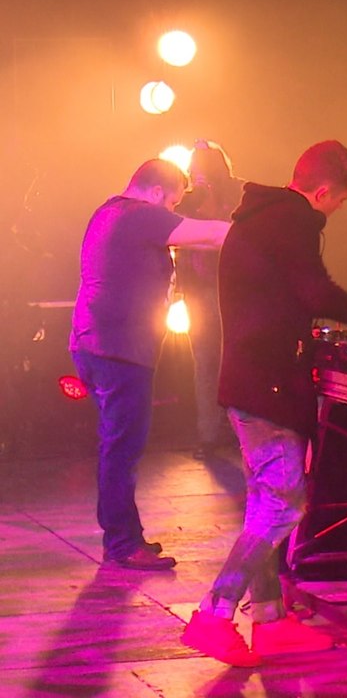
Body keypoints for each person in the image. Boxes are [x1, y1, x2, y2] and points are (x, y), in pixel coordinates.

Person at [181, 140, 347, 666]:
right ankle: (212, 616)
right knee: (283, 504)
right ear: (325, 190)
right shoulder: (292, 220)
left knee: (266, 505)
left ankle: (271, 622)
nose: (336, 211)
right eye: (340, 201)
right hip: (269, 384)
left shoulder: (262, 215)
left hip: (250, 380)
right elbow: (317, 291)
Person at [69, 159, 230, 570]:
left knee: (117, 446)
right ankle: (122, 544)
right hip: (118, 350)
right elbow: (210, 236)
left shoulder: (107, 211)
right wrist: (262, 233)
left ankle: (125, 536)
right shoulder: (140, 215)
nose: (173, 209)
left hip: (95, 344)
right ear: (158, 192)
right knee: (122, 448)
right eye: (173, 201)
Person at [173, 140, 244, 460]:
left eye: (203, 167)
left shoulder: (238, 194)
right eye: (194, 168)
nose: (196, 173)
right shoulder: (187, 200)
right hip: (199, 291)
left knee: (236, 360)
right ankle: (208, 434)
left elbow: (237, 233)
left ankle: (240, 430)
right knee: (204, 362)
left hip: (234, 290)